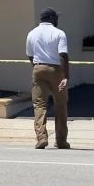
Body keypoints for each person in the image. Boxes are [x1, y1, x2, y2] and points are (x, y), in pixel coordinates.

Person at [25, 8, 70, 149]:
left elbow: (30, 55)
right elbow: (63, 55)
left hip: (38, 69)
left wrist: (37, 67)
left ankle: (41, 138)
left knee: (39, 105)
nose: (57, 20)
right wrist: (65, 76)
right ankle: (61, 140)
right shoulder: (59, 33)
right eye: (56, 17)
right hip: (55, 69)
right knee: (60, 104)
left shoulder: (31, 33)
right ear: (51, 18)